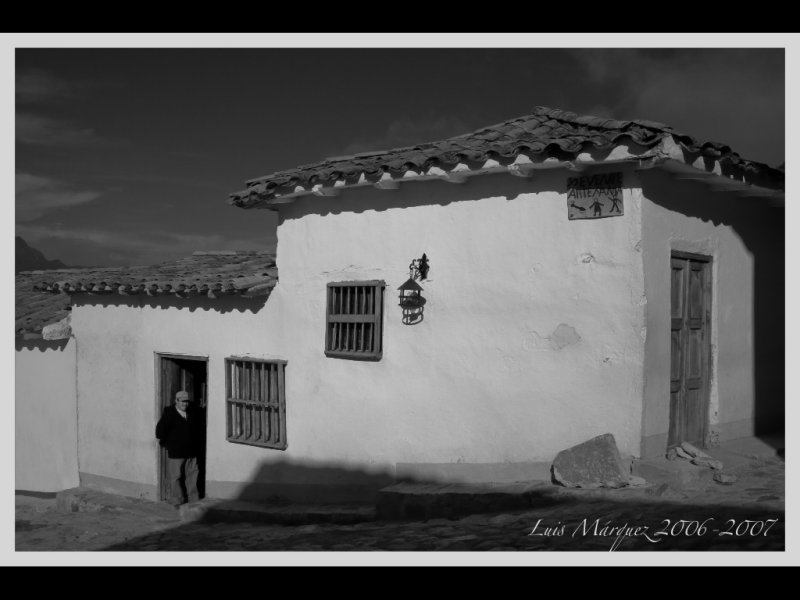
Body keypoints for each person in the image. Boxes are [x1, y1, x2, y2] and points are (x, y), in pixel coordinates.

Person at [156, 390, 203, 507]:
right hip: (176, 452)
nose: (185, 404)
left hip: (191, 451)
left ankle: (194, 499)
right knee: (176, 477)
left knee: (192, 475)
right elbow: (160, 431)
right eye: (182, 401)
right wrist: (167, 444)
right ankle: (177, 499)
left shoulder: (192, 411)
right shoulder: (169, 413)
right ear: (176, 401)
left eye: (186, 401)